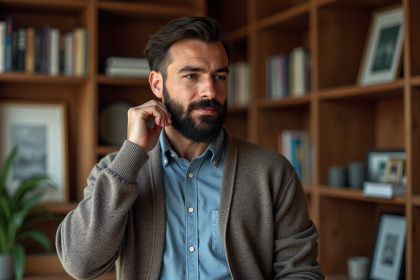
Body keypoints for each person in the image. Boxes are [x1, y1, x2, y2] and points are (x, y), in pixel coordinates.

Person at [56, 16, 324, 280]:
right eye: (192, 75)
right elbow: (80, 264)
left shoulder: (273, 172)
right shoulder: (115, 171)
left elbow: (301, 272)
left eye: (219, 76)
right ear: (157, 84)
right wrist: (132, 153)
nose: (209, 91)